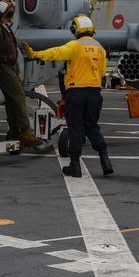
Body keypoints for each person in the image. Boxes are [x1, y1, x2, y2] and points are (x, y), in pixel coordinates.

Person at [21, 14, 112, 177]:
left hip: (76, 92)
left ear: (75, 29)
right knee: (92, 127)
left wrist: (35, 54)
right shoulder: (100, 48)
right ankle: (105, 160)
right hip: (94, 93)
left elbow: (55, 53)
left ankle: (75, 166)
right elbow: (103, 72)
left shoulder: (75, 45)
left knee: (76, 128)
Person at [0, 0, 44, 148]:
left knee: (11, 98)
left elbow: (12, 51)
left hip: (9, 67)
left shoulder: (4, 27)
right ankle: (24, 129)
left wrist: (17, 70)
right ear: (8, 13)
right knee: (18, 95)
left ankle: (15, 128)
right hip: (3, 67)